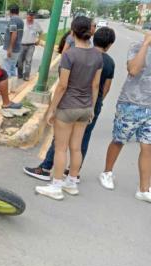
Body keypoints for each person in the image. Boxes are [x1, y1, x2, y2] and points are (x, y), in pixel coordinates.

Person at [24, 27, 116, 181]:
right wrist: (95, 105)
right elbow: (104, 88)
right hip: (91, 105)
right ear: (110, 44)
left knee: (60, 143)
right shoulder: (109, 62)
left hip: (71, 103)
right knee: (81, 142)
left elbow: (63, 84)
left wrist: (52, 109)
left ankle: (47, 169)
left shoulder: (79, 55)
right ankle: (73, 175)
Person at [35, 17, 103, 200]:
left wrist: (52, 109)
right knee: (76, 147)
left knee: (60, 148)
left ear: (73, 31)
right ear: (90, 30)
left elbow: (62, 85)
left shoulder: (70, 55)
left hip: (67, 107)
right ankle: (71, 183)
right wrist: (92, 108)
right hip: (86, 107)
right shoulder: (98, 55)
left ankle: (56, 185)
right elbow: (95, 86)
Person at [98, 32, 151, 203]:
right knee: (119, 140)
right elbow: (134, 70)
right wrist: (146, 44)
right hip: (130, 103)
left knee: (147, 147)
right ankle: (107, 172)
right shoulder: (136, 46)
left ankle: (143, 189)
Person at [18, 10, 42, 81]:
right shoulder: (22, 23)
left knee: (28, 61)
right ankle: (20, 74)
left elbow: (41, 32)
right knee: (20, 61)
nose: (30, 17)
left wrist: (39, 40)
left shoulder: (36, 24)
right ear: (27, 15)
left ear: (33, 16)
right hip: (21, 45)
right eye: (29, 15)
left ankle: (26, 76)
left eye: (32, 15)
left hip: (31, 45)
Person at [2, 4, 24, 77]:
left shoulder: (13, 20)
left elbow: (14, 33)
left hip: (11, 49)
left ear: (10, 12)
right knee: (13, 68)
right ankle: (13, 87)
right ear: (18, 12)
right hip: (17, 48)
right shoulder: (21, 21)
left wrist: (10, 48)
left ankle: (8, 87)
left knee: (7, 69)